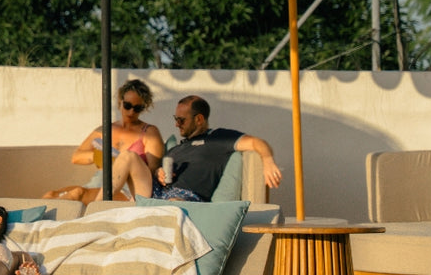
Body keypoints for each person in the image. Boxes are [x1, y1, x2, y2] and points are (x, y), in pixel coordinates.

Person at [118, 94, 283, 202]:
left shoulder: (218, 138)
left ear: (199, 119)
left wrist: (267, 160)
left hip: (184, 197)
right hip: (155, 191)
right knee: (128, 156)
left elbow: (256, 142)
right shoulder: (178, 147)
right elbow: (156, 173)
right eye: (176, 119)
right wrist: (158, 173)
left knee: (173, 204)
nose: (176, 124)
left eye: (181, 120)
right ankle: (99, 205)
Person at [43, 78, 165, 204]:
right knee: (51, 194)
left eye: (137, 108)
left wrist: (122, 164)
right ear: (120, 101)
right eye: (127, 106)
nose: (131, 112)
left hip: (125, 188)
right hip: (97, 182)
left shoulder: (149, 133)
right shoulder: (105, 130)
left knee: (77, 193)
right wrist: (100, 157)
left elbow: (152, 173)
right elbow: (76, 157)